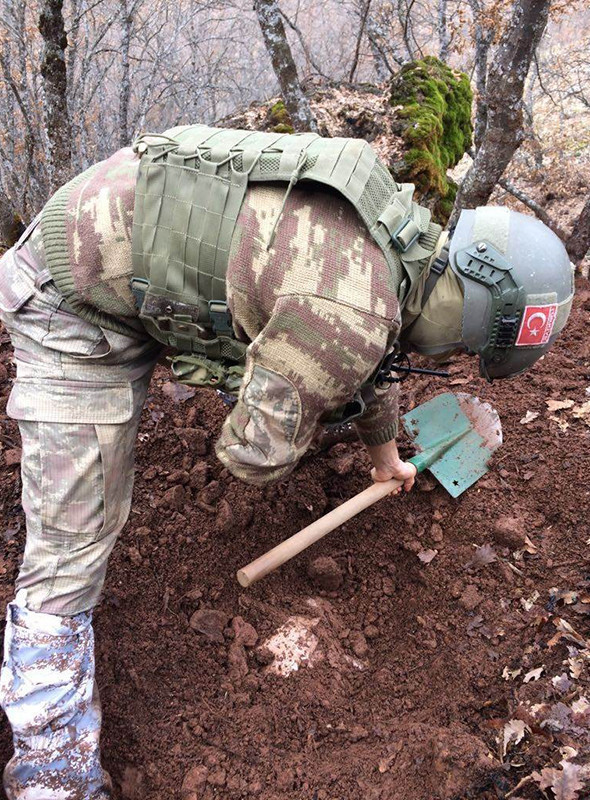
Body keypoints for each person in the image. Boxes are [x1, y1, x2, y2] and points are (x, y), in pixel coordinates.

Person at [0, 124, 574, 799]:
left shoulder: (400, 235)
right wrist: (317, 402)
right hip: (74, 294)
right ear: (472, 316)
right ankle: (51, 768)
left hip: (136, 239)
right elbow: (249, 456)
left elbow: (371, 344)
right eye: (467, 350)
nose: (452, 362)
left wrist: (384, 457)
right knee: (71, 548)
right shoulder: (347, 317)